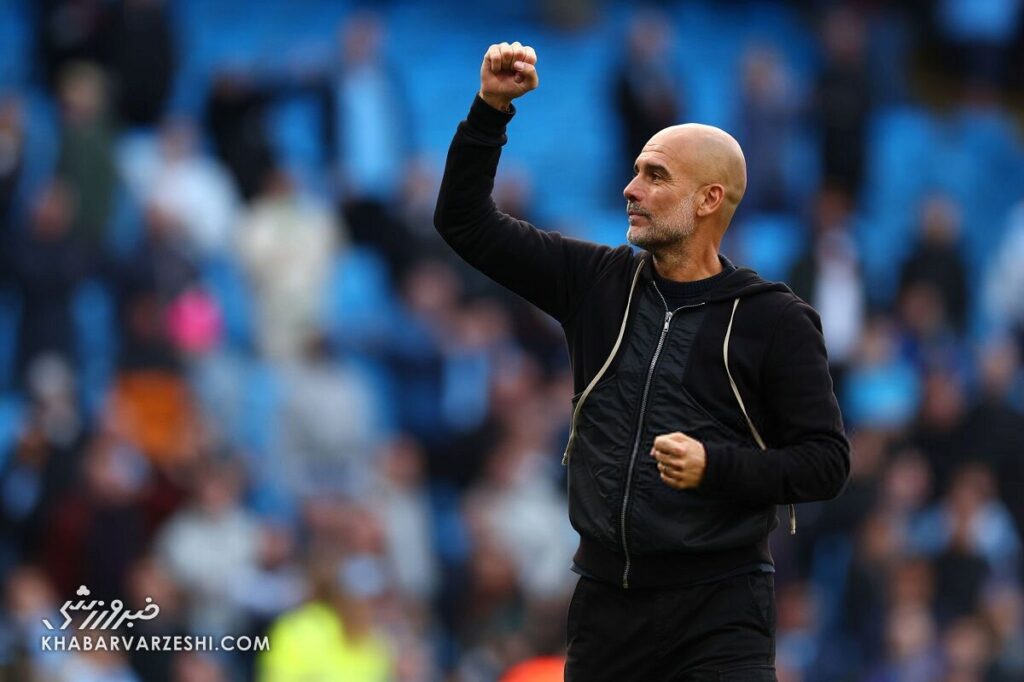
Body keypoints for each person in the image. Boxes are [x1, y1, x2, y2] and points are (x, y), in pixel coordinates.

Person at [434, 41, 851, 681]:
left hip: (720, 614)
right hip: (607, 611)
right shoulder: (596, 282)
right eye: (635, 171)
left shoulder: (774, 320)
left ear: (708, 199)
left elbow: (825, 464)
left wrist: (716, 466)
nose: (631, 189)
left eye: (656, 176)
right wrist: (491, 109)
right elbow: (463, 221)